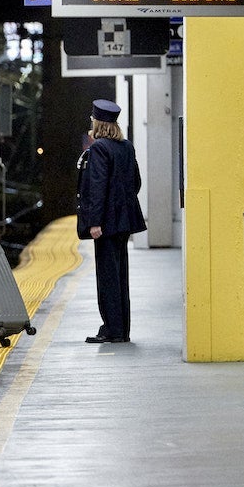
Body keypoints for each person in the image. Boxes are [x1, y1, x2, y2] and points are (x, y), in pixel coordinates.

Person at [76, 98, 147, 344]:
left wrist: (95, 222)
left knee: (107, 276)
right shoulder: (126, 147)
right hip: (124, 222)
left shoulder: (99, 149)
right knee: (120, 275)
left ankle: (111, 329)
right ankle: (122, 328)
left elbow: (96, 188)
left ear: (97, 123)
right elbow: (136, 182)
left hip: (105, 223)